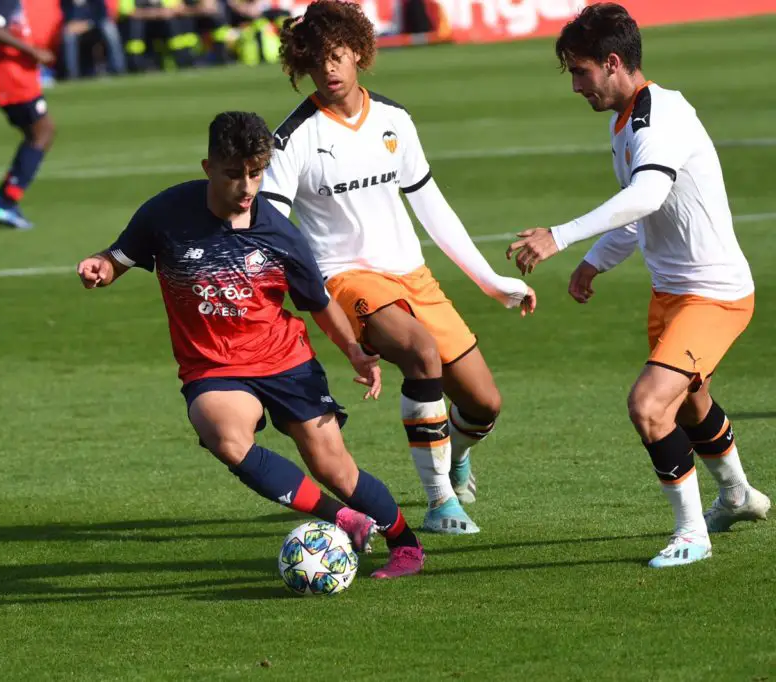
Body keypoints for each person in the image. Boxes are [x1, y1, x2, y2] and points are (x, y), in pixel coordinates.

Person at [77, 111, 425, 578]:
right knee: (226, 437)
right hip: (213, 366)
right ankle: (340, 517)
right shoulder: (165, 213)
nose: (246, 187)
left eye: (256, 173)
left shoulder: (279, 233)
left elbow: (318, 302)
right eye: (233, 174)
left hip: (286, 360)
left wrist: (354, 351)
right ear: (208, 168)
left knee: (336, 469)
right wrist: (101, 267)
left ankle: (405, 544)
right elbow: (117, 258)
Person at [506, 3, 769, 568]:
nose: (576, 86)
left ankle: (691, 534)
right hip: (671, 294)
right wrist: (595, 261)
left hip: (714, 295)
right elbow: (642, 210)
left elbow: (647, 193)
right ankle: (738, 495)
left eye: (581, 72)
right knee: (691, 403)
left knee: (649, 406)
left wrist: (561, 236)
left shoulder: (660, 116)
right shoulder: (624, 121)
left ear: (613, 62)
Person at [261, 0, 535, 535]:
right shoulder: (293, 138)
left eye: (338, 55)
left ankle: (455, 456)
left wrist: (491, 281)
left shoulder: (393, 120)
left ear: (359, 52)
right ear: (302, 65)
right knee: (420, 351)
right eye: (316, 61)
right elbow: (271, 228)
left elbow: (432, 208)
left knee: (484, 404)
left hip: (412, 275)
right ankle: (439, 502)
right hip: (346, 278)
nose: (329, 69)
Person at [0, 0, 57, 230]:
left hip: (4, 73)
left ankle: (5, 197)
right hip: (11, 76)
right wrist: (32, 51)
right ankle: (6, 201)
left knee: (38, 132)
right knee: (43, 131)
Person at [58, 0, 126, 78]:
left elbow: (102, 15)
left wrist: (88, 24)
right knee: (68, 34)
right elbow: (67, 18)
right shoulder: (66, 2)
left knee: (109, 28)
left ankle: (119, 68)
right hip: (76, 29)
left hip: (95, 27)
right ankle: (72, 74)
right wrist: (73, 25)